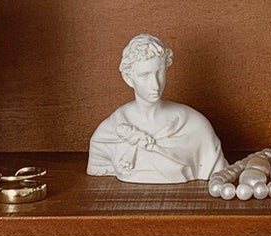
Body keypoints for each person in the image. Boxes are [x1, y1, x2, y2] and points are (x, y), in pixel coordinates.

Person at [86, 35, 225, 184]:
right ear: (128, 78)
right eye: (145, 75)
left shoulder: (195, 126)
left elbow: (217, 169)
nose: (155, 84)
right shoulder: (109, 131)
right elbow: (98, 164)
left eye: (160, 72)